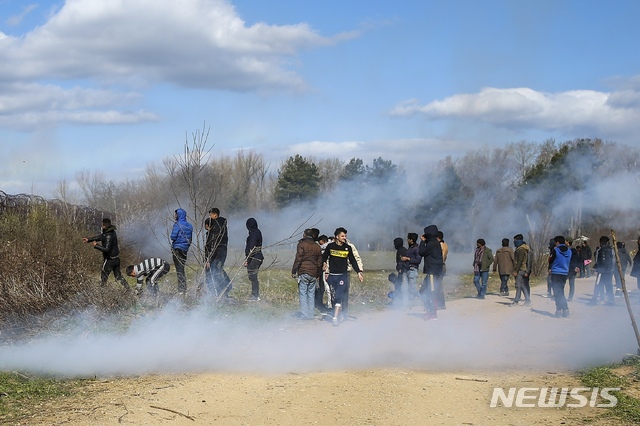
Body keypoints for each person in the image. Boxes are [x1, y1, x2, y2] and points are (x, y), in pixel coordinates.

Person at [322, 227, 363, 326]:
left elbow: (353, 260)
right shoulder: (330, 247)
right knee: (334, 296)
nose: (344, 238)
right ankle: (336, 313)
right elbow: (324, 257)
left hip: (343, 276)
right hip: (332, 276)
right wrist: (324, 264)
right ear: (337, 237)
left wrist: (359, 272)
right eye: (342, 236)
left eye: (345, 236)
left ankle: (336, 318)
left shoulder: (347, 247)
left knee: (340, 295)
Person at [83, 218, 130, 290]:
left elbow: (107, 249)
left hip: (110, 260)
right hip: (116, 259)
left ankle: (102, 292)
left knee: (104, 276)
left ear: (105, 225)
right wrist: (89, 239)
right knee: (118, 276)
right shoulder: (110, 232)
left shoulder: (109, 235)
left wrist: (96, 246)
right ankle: (128, 289)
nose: (101, 225)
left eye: (102, 224)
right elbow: (101, 237)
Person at [292, 229, 323, 320]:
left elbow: (299, 258)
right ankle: (311, 313)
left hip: (304, 271)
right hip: (313, 272)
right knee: (311, 294)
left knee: (303, 293)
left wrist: (294, 270)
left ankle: (305, 314)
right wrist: (318, 273)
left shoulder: (301, 245)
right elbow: (319, 262)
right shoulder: (317, 246)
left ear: (305, 235)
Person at [204, 207, 231, 298]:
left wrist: (207, 258)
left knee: (216, 269)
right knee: (214, 269)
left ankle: (224, 288)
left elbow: (212, 244)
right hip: (217, 252)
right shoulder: (218, 227)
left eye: (211, 215)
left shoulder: (218, 227)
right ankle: (215, 290)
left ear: (215, 215)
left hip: (218, 253)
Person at [419, 225, 443, 320]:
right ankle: (430, 310)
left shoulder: (432, 244)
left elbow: (421, 252)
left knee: (431, 292)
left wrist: (422, 241)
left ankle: (433, 313)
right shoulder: (433, 243)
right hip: (431, 271)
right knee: (423, 291)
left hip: (433, 271)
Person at [170, 208, 193, 294]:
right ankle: (183, 288)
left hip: (177, 249)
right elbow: (190, 239)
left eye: (176, 214)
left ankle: (181, 290)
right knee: (182, 268)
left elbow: (173, 237)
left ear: (179, 215)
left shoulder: (177, 225)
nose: (175, 216)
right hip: (185, 249)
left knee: (179, 270)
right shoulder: (190, 226)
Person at [548, 235, 571, 317]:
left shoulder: (555, 250)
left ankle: (562, 309)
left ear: (557, 242)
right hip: (565, 273)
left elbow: (550, 260)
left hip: (556, 273)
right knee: (560, 291)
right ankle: (563, 309)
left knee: (557, 292)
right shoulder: (569, 251)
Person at [589, 235, 615, 306]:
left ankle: (594, 300)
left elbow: (597, 260)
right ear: (607, 242)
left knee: (598, 285)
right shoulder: (611, 250)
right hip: (608, 271)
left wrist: (597, 268)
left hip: (600, 271)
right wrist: (612, 268)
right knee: (608, 285)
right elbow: (613, 260)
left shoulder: (599, 250)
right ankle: (611, 300)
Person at [244, 217, 264, 301]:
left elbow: (251, 249)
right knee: (253, 276)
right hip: (258, 257)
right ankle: (255, 295)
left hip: (254, 258)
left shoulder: (253, 235)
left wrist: (247, 260)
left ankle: (254, 295)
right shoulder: (257, 232)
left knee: (253, 276)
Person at [401, 232, 421, 309]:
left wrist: (407, 258)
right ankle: (405, 305)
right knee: (404, 289)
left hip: (412, 270)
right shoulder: (410, 248)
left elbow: (418, 260)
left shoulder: (417, 248)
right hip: (406, 270)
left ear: (411, 240)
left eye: (408, 238)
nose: (407, 240)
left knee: (413, 290)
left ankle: (425, 301)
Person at [510, 234, 531, 306]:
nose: (514, 242)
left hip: (520, 269)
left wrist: (516, 271)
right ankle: (528, 300)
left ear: (519, 240)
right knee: (522, 285)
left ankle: (516, 301)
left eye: (515, 240)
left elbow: (520, 261)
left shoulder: (521, 249)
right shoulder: (521, 248)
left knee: (518, 285)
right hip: (522, 269)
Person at [389, 237, 409, 305]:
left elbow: (401, 261)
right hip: (402, 270)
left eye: (395, 244)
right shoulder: (404, 250)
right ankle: (399, 300)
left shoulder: (400, 251)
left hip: (402, 271)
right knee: (399, 285)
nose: (394, 246)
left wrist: (400, 269)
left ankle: (400, 301)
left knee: (400, 286)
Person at [316, 234, 332, 310]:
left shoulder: (328, 247)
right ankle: (329, 303)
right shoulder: (331, 246)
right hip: (325, 270)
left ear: (324, 241)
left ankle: (330, 304)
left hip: (327, 270)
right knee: (325, 287)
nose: (320, 244)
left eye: (321, 243)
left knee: (327, 287)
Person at [435, 231, 448, 309]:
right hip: (443, 266)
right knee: (438, 285)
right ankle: (440, 303)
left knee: (437, 286)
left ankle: (441, 303)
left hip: (439, 266)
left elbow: (441, 257)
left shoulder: (440, 245)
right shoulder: (445, 244)